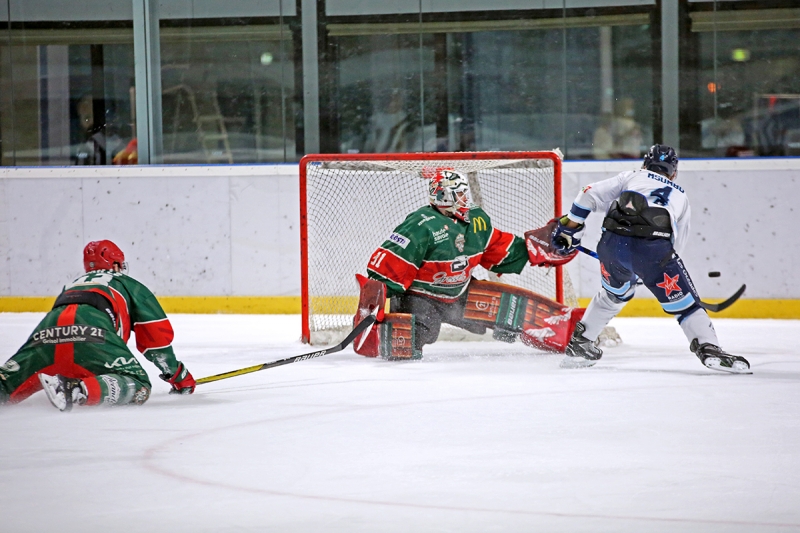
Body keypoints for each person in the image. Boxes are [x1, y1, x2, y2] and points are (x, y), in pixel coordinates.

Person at [551, 144, 750, 373]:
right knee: (686, 307)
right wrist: (652, 270)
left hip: (611, 246)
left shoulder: (632, 176)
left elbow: (588, 193)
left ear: (645, 164)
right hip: (652, 252)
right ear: (673, 172)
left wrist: (570, 231)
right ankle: (708, 348)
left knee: (613, 295)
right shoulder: (681, 196)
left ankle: (581, 344)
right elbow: (676, 246)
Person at [355, 167, 579, 358]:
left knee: (503, 318)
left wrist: (536, 249)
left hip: (459, 292)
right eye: (459, 194)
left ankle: (567, 333)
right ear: (442, 196)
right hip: (420, 296)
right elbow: (391, 264)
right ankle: (380, 339)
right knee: (421, 332)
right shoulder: (421, 225)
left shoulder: (477, 220)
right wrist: (373, 304)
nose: (465, 199)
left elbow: (499, 248)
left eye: (464, 194)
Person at [0, 240, 196, 411]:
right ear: (117, 264)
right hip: (94, 331)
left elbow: (69, 341)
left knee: (6, 385)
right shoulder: (127, 283)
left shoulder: (74, 284)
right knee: (139, 384)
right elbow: (156, 339)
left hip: (48, 331)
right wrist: (177, 375)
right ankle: (75, 389)